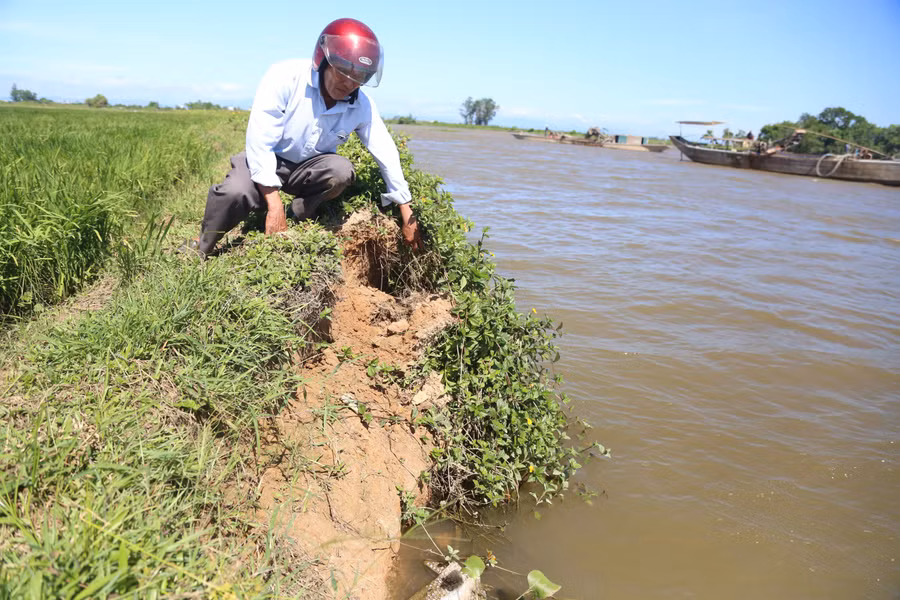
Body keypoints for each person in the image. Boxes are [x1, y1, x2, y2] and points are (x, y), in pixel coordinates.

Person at [194, 17, 421, 256]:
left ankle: (297, 214)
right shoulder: (285, 77)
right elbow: (260, 142)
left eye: (360, 76)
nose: (349, 83)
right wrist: (273, 204)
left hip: (308, 169)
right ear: (322, 59)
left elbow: (385, 150)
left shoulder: (363, 105)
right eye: (343, 70)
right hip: (269, 156)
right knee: (235, 191)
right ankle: (202, 246)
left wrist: (406, 209)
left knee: (341, 171)